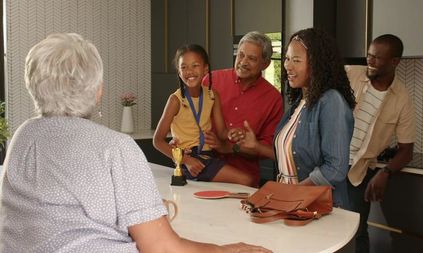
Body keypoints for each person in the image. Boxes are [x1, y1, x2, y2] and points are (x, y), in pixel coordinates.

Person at [0, 33, 271, 253]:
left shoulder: (24, 135)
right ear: (98, 90)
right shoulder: (116, 147)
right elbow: (162, 247)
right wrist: (228, 251)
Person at [234, 27, 356, 208]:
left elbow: (335, 168)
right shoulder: (299, 104)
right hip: (291, 205)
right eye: (287, 59)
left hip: (317, 209)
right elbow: (291, 156)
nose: (287, 66)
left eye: (296, 60)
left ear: (317, 63)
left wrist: (291, 193)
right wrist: (256, 146)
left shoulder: (331, 101)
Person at [346, 34, 415, 253]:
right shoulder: (349, 74)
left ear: (394, 62)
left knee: (356, 232)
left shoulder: (402, 97)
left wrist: (385, 173)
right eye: (369, 55)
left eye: (377, 58)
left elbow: (406, 150)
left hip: (359, 173)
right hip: (329, 164)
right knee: (319, 225)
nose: (370, 61)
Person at [153, 44, 254, 186]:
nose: (189, 71)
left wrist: (234, 133)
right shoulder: (175, 100)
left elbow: (222, 132)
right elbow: (157, 141)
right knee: (246, 180)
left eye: (195, 65)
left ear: (205, 68)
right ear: (179, 71)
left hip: (208, 155)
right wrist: (186, 160)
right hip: (190, 158)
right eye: (184, 67)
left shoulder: (213, 96)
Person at [201, 31, 283, 187]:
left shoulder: (273, 98)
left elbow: (268, 149)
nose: (243, 62)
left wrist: (232, 148)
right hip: (201, 171)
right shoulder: (210, 80)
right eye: (241, 55)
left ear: (265, 64)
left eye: (252, 58)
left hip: (245, 181)